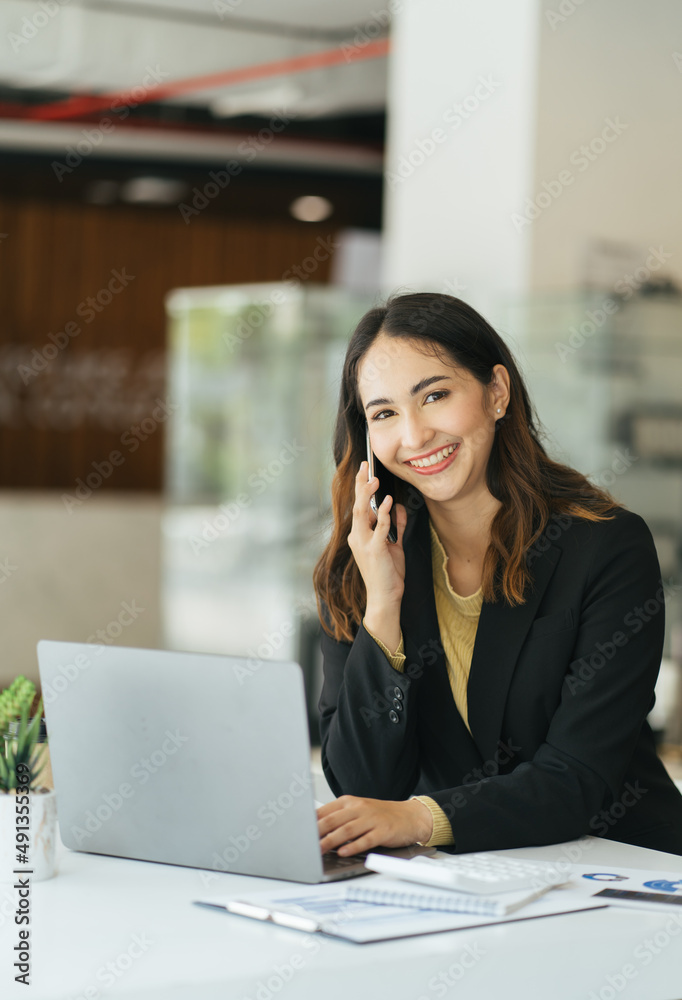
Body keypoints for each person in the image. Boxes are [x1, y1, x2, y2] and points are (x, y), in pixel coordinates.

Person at [313, 292, 682, 858]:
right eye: (384, 413)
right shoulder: (362, 560)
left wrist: (418, 818)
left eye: (434, 396)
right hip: (465, 883)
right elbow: (365, 787)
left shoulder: (604, 545)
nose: (413, 436)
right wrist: (383, 607)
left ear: (497, 393)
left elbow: (578, 776)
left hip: (619, 870)